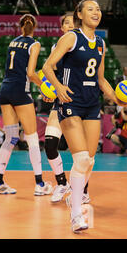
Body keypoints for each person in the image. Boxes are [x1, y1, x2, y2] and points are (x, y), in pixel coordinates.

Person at [42, 0, 127, 233]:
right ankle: (75, 215)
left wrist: (118, 99)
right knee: (81, 158)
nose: (96, 12)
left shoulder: (101, 43)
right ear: (79, 15)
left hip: (92, 104)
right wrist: (58, 88)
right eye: (90, 9)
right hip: (70, 102)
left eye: (98, 9)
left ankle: (74, 194)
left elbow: (101, 79)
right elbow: (47, 66)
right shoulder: (71, 37)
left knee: (89, 160)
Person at [0, 14, 52, 197]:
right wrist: (45, 86)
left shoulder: (12, 42)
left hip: (5, 89)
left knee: (11, 138)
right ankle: (40, 184)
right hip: (20, 90)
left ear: (20, 26)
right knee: (32, 137)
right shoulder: (35, 44)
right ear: (35, 27)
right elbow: (31, 73)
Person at [42, 14, 74, 203]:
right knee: (50, 144)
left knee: (83, 153)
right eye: (66, 23)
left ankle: (83, 190)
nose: (70, 25)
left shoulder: (83, 45)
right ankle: (62, 183)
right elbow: (50, 74)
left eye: (73, 22)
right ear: (61, 28)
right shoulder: (56, 48)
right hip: (61, 101)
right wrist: (49, 91)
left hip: (80, 102)